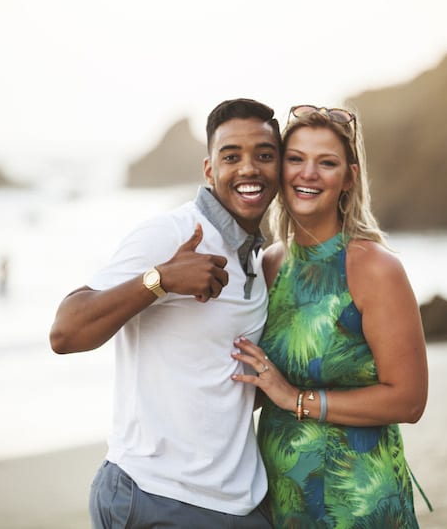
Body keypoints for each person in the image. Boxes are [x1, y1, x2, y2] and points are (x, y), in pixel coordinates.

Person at [49, 98, 281, 528]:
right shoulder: (171, 233)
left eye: (264, 156)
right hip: (157, 496)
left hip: (240, 502)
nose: (249, 168)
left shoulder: (256, 257)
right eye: (232, 156)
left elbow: (215, 383)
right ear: (210, 170)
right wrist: (161, 280)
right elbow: (66, 331)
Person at [231, 104, 430, 527]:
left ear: (349, 178)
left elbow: (409, 400)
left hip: (358, 499)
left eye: (327, 163)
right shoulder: (269, 266)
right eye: (296, 159)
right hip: (283, 495)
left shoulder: (374, 268)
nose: (308, 174)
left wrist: (295, 400)